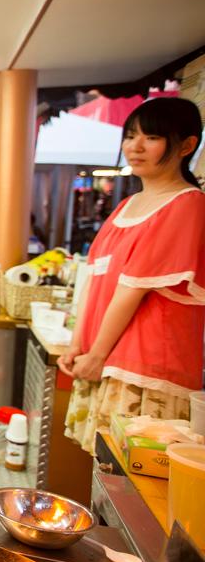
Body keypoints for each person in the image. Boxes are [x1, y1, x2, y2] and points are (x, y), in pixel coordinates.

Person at [62, 97, 205, 452]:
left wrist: (95, 354)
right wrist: (78, 345)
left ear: (186, 145)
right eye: (130, 136)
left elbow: (132, 290)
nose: (135, 147)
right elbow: (94, 279)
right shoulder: (128, 205)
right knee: (102, 468)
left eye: (151, 137)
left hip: (146, 370)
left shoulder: (188, 204)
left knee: (129, 481)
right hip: (104, 357)